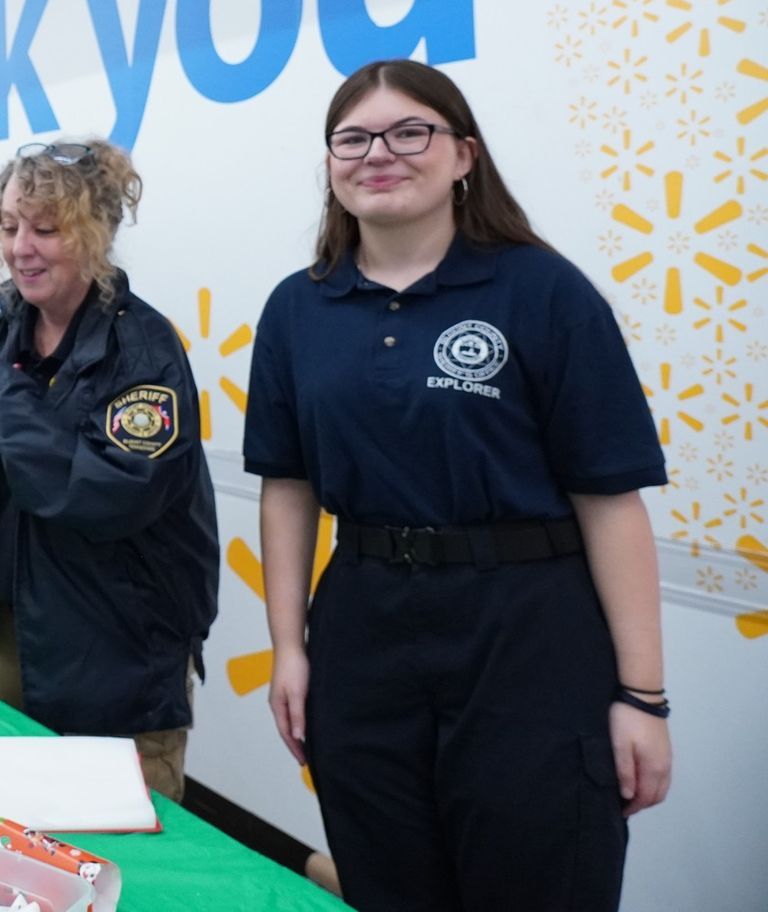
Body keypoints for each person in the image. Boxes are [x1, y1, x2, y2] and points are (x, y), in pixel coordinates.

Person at [247, 60, 669, 912]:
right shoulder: (299, 308)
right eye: (354, 138)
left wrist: (642, 696)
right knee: (389, 882)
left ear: (464, 155)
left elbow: (610, 502)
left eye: (411, 133)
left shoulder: (543, 293)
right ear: (330, 162)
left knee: (539, 883)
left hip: (527, 633)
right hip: (363, 632)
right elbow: (288, 486)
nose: (380, 154)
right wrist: (290, 646)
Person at [0, 140, 217, 801]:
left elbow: (106, 498)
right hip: (21, 640)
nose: (20, 247)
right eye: (9, 225)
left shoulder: (142, 352)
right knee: (21, 839)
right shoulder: (8, 337)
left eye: (45, 229)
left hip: (119, 663)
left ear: (94, 233)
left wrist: (13, 400)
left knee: (129, 867)